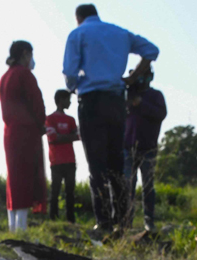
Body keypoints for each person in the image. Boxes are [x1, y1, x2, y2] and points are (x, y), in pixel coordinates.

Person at [63, 4, 159, 233]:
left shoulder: (78, 34)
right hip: (116, 102)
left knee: (96, 164)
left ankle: (104, 221)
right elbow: (151, 51)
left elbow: (69, 72)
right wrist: (134, 76)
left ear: (79, 18)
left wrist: (74, 87)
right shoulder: (119, 32)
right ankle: (123, 221)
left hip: (91, 101)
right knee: (116, 161)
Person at [0, 40, 47, 233]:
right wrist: (42, 123)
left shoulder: (5, 77)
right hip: (27, 131)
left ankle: (13, 227)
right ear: (25, 54)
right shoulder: (24, 75)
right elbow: (36, 103)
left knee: (14, 177)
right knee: (27, 177)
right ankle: (21, 228)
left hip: (10, 132)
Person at [123, 67, 167, 230]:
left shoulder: (156, 96)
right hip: (128, 147)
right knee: (128, 186)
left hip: (148, 148)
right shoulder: (127, 95)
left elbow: (161, 114)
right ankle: (126, 221)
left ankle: (149, 221)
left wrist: (141, 104)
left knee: (148, 186)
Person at [46, 90, 79, 223]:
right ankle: (53, 218)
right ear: (61, 100)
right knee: (55, 191)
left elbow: (77, 136)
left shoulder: (71, 119)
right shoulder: (50, 119)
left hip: (70, 160)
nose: (70, 102)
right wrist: (68, 137)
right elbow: (53, 138)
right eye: (67, 99)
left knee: (70, 192)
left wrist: (61, 136)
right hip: (56, 161)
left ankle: (70, 219)